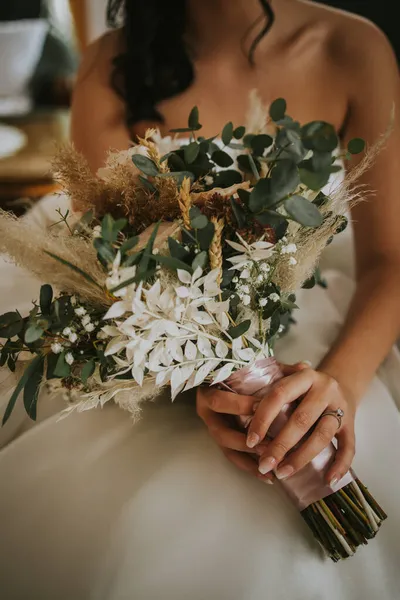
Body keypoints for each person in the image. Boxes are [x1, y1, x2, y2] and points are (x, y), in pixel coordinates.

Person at [0, 1, 399, 598]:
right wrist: (205, 382)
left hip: (324, 332)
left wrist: (335, 387)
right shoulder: (109, 67)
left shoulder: (353, 49)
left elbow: (389, 261)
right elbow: (113, 271)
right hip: (164, 361)